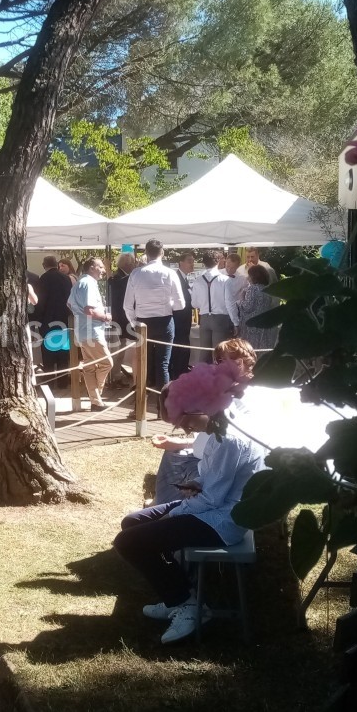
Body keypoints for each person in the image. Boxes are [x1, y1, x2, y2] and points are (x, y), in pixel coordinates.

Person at [113, 344, 265, 644]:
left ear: (196, 405)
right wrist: (195, 484)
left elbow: (214, 500)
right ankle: (180, 595)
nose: (180, 427)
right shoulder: (217, 424)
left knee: (128, 542)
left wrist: (174, 511)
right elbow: (212, 481)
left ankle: (188, 607)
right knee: (133, 523)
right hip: (212, 507)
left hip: (224, 521)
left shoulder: (229, 436)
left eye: (181, 419)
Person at [150, 339, 258, 504]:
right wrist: (180, 442)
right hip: (207, 453)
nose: (219, 366)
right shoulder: (223, 391)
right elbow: (209, 436)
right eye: (218, 361)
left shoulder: (247, 396)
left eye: (225, 361)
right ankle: (161, 501)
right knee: (172, 451)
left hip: (221, 463)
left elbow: (229, 443)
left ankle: (169, 507)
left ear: (243, 362)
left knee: (186, 464)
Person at [123, 239, 185, 389]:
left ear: (146, 253)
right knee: (163, 364)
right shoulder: (170, 273)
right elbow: (180, 304)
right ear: (162, 253)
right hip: (164, 322)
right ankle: (162, 407)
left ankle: (140, 404)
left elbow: (127, 305)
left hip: (143, 322)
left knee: (144, 363)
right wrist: (166, 304)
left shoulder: (136, 274)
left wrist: (134, 323)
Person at [68, 257, 112, 409]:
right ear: (92, 267)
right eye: (100, 266)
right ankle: (96, 397)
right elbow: (90, 310)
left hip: (83, 332)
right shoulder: (88, 283)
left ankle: (96, 401)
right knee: (107, 363)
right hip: (92, 332)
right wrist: (105, 317)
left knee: (89, 367)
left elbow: (69, 303)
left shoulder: (80, 282)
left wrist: (78, 314)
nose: (103, 270)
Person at [191, 251, 246, 362]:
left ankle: (203, 378)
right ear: (218, 261)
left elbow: (194, 304)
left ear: (203, 262)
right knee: (219, 353)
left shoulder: (198, 280)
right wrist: (236, 322)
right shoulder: (225, 280)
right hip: (221, 319)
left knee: (204, 354)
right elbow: (229, 303)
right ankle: (219, 378)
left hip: (204, 319)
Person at [34, 255, 73, 386]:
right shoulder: (66, 278)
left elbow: (40, 301)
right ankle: (63, 382)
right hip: (63, 319)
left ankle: (49, 381)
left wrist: (38, 318)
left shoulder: (43, 279)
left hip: (47, 319)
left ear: (44, 265)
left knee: (48, 351)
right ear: (56, 264)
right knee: (63, 350)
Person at [107, 252, 137, 386]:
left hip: (123, 319)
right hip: (119, 319)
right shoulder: (118, 276)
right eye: (133, 264)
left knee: (121, 349)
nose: (134, 266)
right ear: (127, 264)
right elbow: (116, 285)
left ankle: (117, 375)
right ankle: (114, 376)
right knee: (117, 351)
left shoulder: (123, 276)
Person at [234, 264, 279, 350]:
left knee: (249, 351)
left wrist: (240, 300)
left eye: (249, 275)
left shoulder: (252, 289)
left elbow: (247, 307)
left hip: (251, 327)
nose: (248, 278)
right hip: (262, 327)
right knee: (259, 351)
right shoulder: (267, 290)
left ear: (254, 276)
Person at [171, 252, 195, 378]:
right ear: (181, 263)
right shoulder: (176, 277)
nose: (192, 264)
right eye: (189, 261)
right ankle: (178, 371)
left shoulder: (186, 278)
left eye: (193, 261)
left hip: (185, 319)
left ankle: (182, 369)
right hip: (178, 319)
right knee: (180, 345)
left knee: (184, 343)